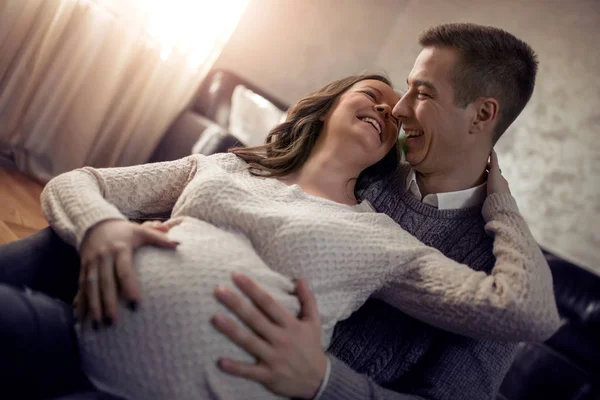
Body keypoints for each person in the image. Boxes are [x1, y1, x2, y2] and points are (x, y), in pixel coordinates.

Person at [0, 72, 557, 400]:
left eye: (397, 115)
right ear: (329, 103)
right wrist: (101, 229)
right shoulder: (227, 166)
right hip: (80, 329)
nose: (388, 111)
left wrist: (499, 195)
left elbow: (523, 311)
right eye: (373, 94)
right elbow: (81, 182)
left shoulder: (384, 239)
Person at [206, 23, 549, 400]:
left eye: (423, 93)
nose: (399, 109)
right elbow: (237, 189)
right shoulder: (366, 164)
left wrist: (324, 383)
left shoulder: (499, 270)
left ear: (482, 115)